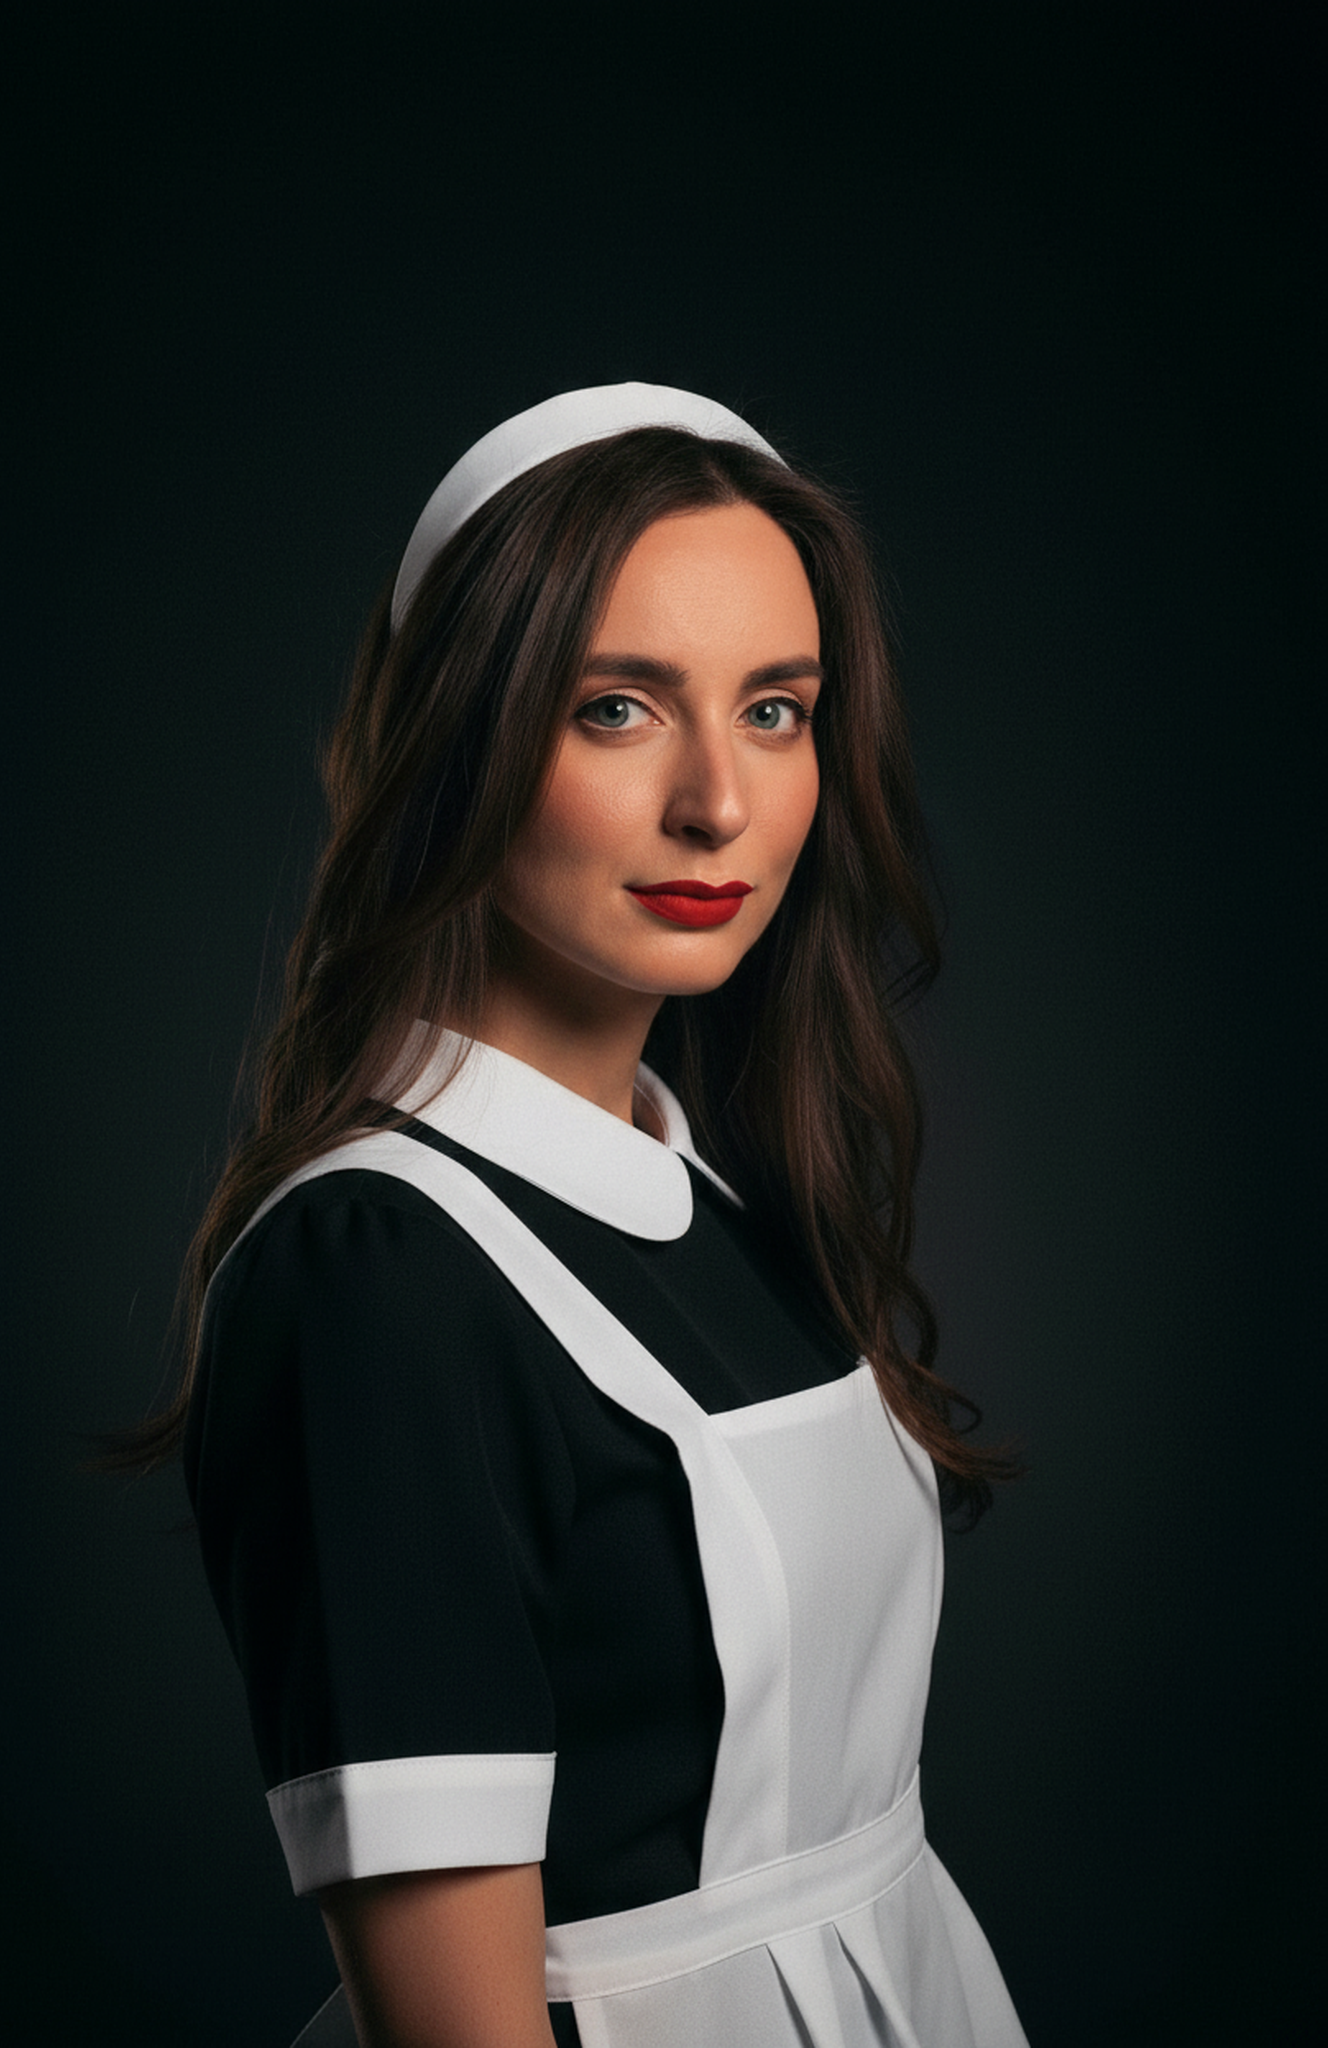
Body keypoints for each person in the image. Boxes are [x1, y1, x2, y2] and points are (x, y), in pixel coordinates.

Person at [155, 384, 1027, 2046]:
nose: (719, 801)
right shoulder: (375, 1278)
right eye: (618, 708)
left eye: (777, 710)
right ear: (457, 744)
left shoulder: (721, 1190)